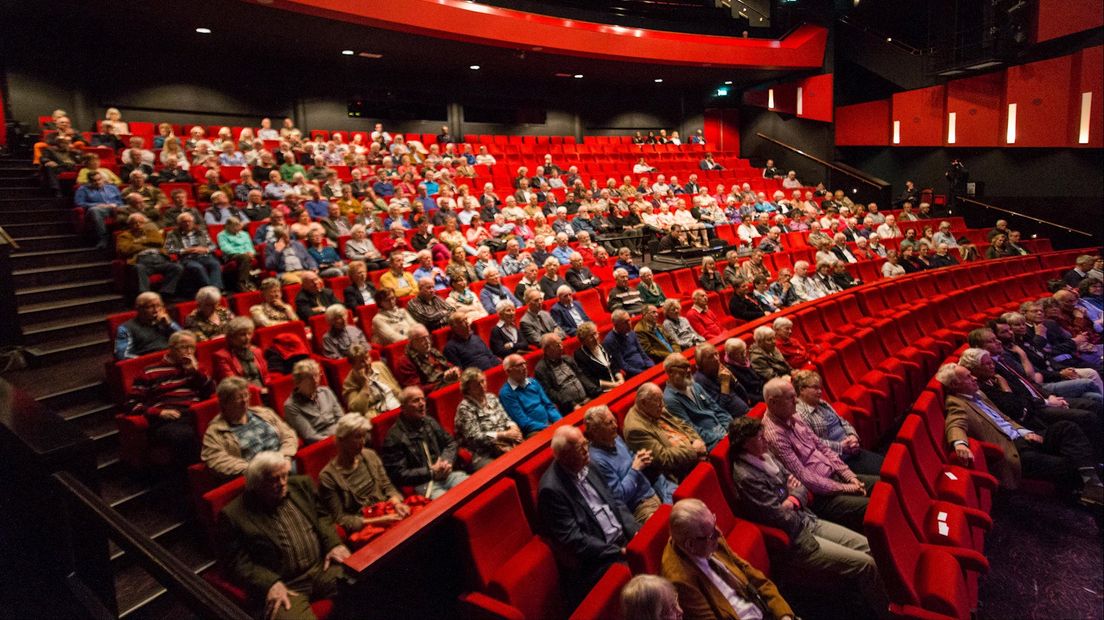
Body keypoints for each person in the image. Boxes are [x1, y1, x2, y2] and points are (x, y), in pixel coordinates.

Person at [727, 417, 887, 617]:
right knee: (866, 563)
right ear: (744, 444)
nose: (765, 440)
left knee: (871, 548)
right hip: (798, 539)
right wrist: (793, 497)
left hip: (808, 519)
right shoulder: (746, 477)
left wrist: (792, 500)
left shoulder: (765, 455)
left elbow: (800, 484)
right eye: (760, 437)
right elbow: (778, 517)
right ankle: (886, 611)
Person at [939, 363, 1103, 505]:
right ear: (955, 384)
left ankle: (1092, 483)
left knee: (1066, 427)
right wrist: (959, 443)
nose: (974, 378)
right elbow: (955, 423)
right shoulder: (956, 403)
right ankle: (1087, 487)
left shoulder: (980, 394)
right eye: (968, 377)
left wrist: (1024, 431)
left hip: (1023, 436)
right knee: (1067, 462)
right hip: (1013, 449)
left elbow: (1005, 418)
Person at [219, 452, 350, 620]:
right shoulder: (234, 515)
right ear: (256, 484)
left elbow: (322, 517)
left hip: (320, 567)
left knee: (363, 583)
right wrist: (270, 583)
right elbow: (236, 563)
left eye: (284, 476)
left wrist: (333, 544)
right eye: (273, 479)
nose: (282, 483)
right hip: (286, 585)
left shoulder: (301, 485)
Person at [538, 425, 640, 602]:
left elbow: (614, 500)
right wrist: (619, 551)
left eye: (586, 443)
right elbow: (575, 539)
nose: (587, 450)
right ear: (563, 455)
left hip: (623, 538)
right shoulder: (551, 490)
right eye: (580, 448)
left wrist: (635, 531)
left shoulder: (589, 465)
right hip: (599, 559)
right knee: (643, 583)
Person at [761, 378, 875, 532]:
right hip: (822, 496)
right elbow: (804, 476)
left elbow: (822, 448)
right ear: (773, 402)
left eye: (795, 396)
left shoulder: (794, 416)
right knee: (875, 505)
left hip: (836, 476)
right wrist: (847, 487)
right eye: (790, 398)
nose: (796, 401)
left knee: (883, 487)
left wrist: (850, 476)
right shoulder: (774, 435)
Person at [662, 498, 793, 620]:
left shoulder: (707, 534)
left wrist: (783, 614)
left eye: (714, 521)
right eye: (712, 533)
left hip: (760, 607)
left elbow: (750, 572)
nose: (719, 534)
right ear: (690, 545)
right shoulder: (680, 580)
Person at [126, 331, 214, 465]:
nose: (189, 352)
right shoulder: (149, 371)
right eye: (184, 347)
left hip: (194, 413)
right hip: (168, 419)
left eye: (192, 348)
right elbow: (132, 404)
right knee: (186, 437)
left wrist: (195, 372)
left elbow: (210, 391)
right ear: (171, 348)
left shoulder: (195, 367)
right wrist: (159, 413)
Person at [317, 414, 414, 535]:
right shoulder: (328, 477)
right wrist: (377, 521)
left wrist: (397, 503)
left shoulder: (370, 455)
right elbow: (341, 519)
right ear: (342, 440)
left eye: (364, 436)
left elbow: (387, 487)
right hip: (365, 527)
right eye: (357, 437)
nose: (362, 442)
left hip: (388, 512)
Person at [382, 386, 469, 499]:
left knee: (472, 486)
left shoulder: (429, 421)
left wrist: (445, 462)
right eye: (416, 400)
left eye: (423, 399)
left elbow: (451, 443)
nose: (422, 403)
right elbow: (398, 474)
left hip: (445, 474)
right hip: (423, 484)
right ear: (403, 407)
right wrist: (431, 472)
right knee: (448, 502)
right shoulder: (394, 437)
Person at [202, 377, 298, 479]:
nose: (245, 400)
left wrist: (285, 457)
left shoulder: (264, 413)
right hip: (258, 477)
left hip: (284, 462)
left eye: (246, 395)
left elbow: (288, 434)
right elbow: (217, 460)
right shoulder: (215, 431)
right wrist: (255, 469)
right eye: (238, 398)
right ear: (225, 403)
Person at [792, 370, 884, 476]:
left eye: (820, 388)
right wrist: (841, 446)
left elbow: (843, 422)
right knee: (885, 476)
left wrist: (852, 436)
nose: (820, 391)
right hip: (840, 462)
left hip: (852, 450)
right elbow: (813, 444)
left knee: (888, 465)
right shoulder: (800, 415)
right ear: (802, 389)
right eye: (815, 388)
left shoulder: (822, 404)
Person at [624, 383, 707, 485]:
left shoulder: (655, 408)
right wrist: (694, 451)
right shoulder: (635, 430)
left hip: (691, 452)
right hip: (679, 472)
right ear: (643, 402)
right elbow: (664, 459)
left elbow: (682, 425)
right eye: (658, 402)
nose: (662, 405)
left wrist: (697, 441)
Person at [454, 368, 523, 469]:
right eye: (477, 384)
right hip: (482, 452)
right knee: (509, 465)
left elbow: (506, 418)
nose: (482, 386)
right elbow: (475, 437)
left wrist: (513, 427)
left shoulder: (491, 397)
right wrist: (503, 435)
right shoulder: (465, 408)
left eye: (483, 381)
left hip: (505, 442)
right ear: (468, 388)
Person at [663, 354, 733, 451]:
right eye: (683, 367)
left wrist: (730, 426)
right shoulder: (670, 399)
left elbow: (716, 408)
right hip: (711, 442)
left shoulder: (695, 386)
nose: (688, 370)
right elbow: (690, 429)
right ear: (670, 372)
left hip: (724, 431)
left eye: (688, 366)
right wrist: (722, 437)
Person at [115, 213, 184, 298]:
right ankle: (145, 296)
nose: (138, 225)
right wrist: (149, 244)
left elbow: (160, 242)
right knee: (138, 268)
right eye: (135, 223)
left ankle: (165, 293)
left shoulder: (151, 232)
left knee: (177, 267)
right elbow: (124, 249)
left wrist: (138, 242)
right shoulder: (124, 236)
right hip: (142, 261)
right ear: (129, 225)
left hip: (160, 259)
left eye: (141, 222)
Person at [535, 332, 601, 414]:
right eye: (557, 345)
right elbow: (551, 393)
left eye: (561, 344)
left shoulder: (567, 359)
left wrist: (596, 391)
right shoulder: (541, 369)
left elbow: (582, 376)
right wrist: (572, 405)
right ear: (547, 349)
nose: (561, 347)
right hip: (571, 408)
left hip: (588, 398)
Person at [499, 354, 563, 436]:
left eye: (524, 363)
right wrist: (548, 427)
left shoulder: (533, 382)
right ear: (508, 371)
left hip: (550, 423)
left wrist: (560, 421)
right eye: (519, 365)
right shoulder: (506, 393)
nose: (524, 367)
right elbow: (523, 422)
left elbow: (548, 406)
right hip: (534, 431)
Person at [283, 359, 344, 444]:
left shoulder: (326, 392)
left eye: (317, 376)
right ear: (298, 382)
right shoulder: (291, 406)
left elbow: (341, 418)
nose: (315, 381)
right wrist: (336, 441)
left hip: (342, 436)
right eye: (309, 378)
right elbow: (310, 436)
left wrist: (346, 434)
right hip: (324, 444)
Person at [165, 212, 225, 291]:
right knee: (198, 267)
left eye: (189, 221)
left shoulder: (201, 232)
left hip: (203, 255)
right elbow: (168, 249)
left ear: (193, 222)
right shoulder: (172, 234)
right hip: (187, 258)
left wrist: (205, 249)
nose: (187, 223)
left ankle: (216, 289)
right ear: (179, 224)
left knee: (215, 264)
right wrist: (184, 250)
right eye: (184, 222)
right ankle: (210, 291)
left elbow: (213, 246)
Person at [115, 292, 181, 359]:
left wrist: (170, 324)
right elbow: (123, 355)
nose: (156, 310)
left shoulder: (165, 321)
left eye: (159, 305)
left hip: (171, 357)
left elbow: (184, 340)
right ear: (139, 309)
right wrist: (145, 360)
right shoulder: (126, 328)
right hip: (148, 363)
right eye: (150, 307)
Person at [213, 317, 270, 388]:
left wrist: (270, 388)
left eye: (249, 334)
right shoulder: (222, 356)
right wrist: (258, 391)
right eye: (242, 334)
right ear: (231, 337)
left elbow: (266, 376)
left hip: (263, 389)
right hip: (240, 392)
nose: (247, 337)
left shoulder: (256, 351)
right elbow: (233, 383)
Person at [74, 171, 125, 249]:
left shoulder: (112, 188)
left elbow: (121, 201)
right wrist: (97, 204)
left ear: (103, 179)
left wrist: (115, 204)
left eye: (99, 179)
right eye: (94, 181)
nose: (97, 182)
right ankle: (103, 238)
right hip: (98, 210)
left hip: (114, 208)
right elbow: (79, 203)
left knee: (129, 208)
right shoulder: (83, 189)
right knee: (95, 210)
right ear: (89, 181)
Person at [605, 310, 656, 377]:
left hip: (645, 367)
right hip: (634, 374)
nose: (629, 324)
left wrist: (651, 366)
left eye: (629, 320)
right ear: (616, 325)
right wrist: (643, 373)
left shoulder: (631, 332)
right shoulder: (610, 341)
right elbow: (623, 365)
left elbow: (642, 353)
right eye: (625, 322)